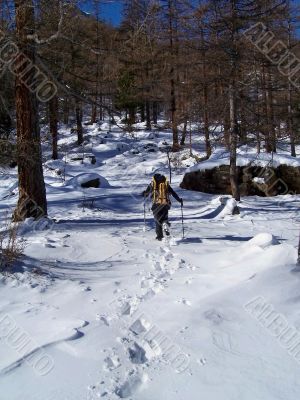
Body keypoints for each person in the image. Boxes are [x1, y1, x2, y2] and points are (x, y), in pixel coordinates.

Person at [142, 173, 183, 241]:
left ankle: (159, 236)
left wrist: (144, 194)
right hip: (165, 204)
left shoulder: (152, 184)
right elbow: (173, 193)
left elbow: (146, 194)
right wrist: (179, 200)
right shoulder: (165, 184)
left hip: (156, 205)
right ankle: (166, 226)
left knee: (157, 221)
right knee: (164, 218)